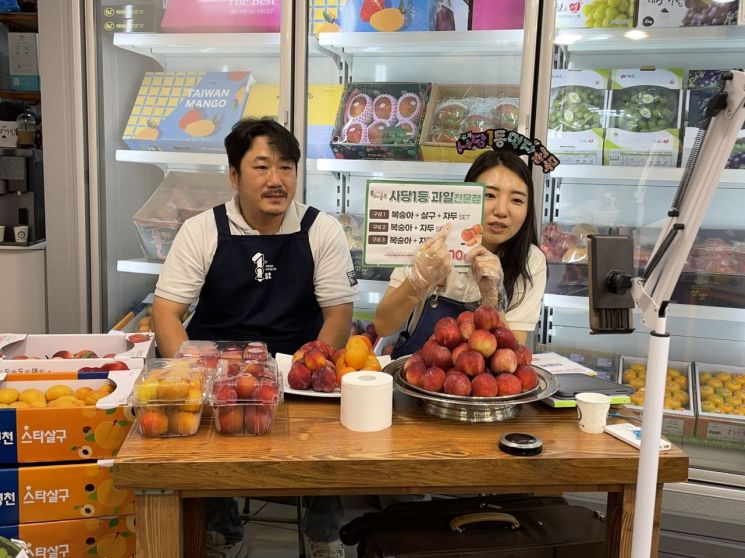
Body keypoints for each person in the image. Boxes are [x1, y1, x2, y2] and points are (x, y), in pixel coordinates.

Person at [151, 117, 358, 558]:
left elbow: (339, 314)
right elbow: (166, 312)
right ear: (233, 175)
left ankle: (324, 536)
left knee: (326, 431)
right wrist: (192, 379)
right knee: (203, 436)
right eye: (261, 167)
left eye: (286, 167)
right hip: (218, 370)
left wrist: (311, 368)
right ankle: (223, 534)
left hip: (298, 366)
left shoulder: (321, 230)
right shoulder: (202, 230)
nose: (276, 180)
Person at [374, 150, 546, 353]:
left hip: (483, 382)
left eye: (517, 200)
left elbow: (512, 356)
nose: (501, 210)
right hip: (418, 371)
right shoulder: (432, 241)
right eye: (489, 195)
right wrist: (418, 280)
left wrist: (493, 300)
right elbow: (383, 325)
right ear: (467, 196)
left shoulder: (531, 261)